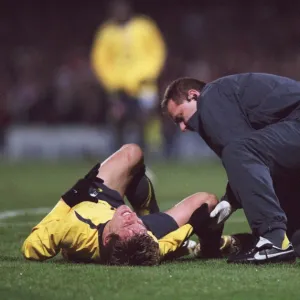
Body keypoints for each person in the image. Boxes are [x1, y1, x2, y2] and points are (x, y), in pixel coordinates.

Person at [161, 73, 300, 264]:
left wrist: (229, 201)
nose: (183, 128)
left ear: (193, 95)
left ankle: (273, 240)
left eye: (180, 117)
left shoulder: (210, 97)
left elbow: (241, 152)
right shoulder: (229, 94)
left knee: (239, 150)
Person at [22, 144, 239, 265]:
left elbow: (30, 247)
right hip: (118, 219)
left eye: (130, 223)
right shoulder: (142, 238)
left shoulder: (72, 229)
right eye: (136, 224)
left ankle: (154, 214)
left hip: (90, 200)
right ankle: (211, 248)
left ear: (109, 238)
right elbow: (163, 245)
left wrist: (69, 198)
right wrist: (192, 225)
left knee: (132, 156)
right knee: (208, 202)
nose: (131, 216)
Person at [91, 0, 166, 151]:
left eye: (123, 8)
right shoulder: (106, 32)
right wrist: (112, 82)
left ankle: (147, 153)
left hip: (144, 84)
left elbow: (157, 51)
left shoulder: (144, 27)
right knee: (117, 120)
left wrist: (148, 73)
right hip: (118, 87)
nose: (120, 11)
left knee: (145, 120)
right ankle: (119, 155)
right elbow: (100, 61)